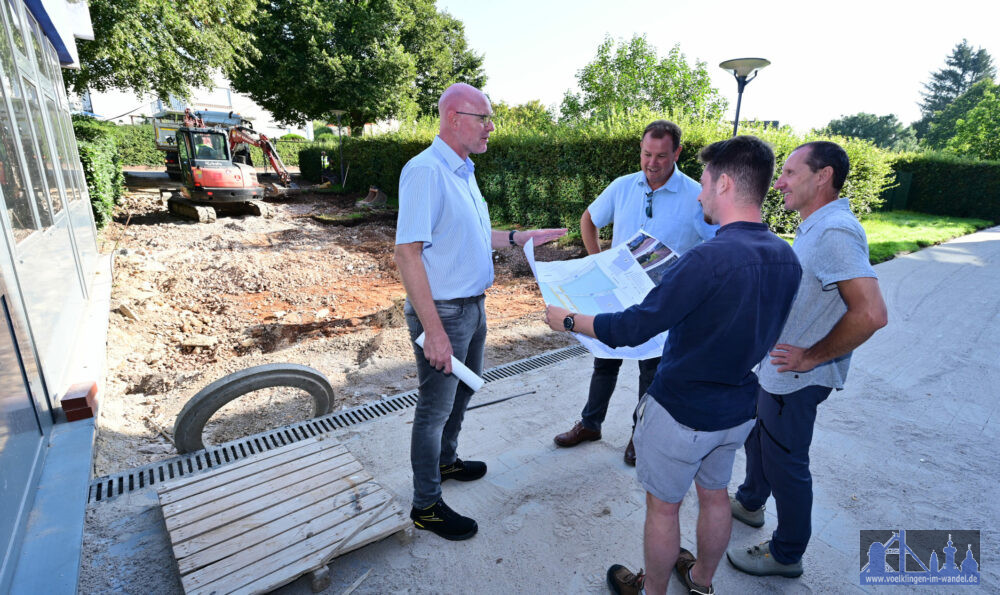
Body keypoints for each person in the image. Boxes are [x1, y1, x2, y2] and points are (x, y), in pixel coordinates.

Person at [546, 136, 802, 595]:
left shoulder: (708, 258)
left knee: (664, 508)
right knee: (715, 495)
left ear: (724, 183)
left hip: (682, 409)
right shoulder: (786, 255)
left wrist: (568, 319)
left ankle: (653, 590)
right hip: (739, 408)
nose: (699, 193)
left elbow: (633, 327)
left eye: (704, 183)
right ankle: (702, 582)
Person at [394, 82, 565, 542]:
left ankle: (446, 460)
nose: (491, 126)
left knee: (462, 395)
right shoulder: (425, 171)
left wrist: (519, 237)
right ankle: (425, 504)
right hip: (444, 313)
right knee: (433, 409)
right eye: (483, 117)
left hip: (473, 306)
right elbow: (407, 253)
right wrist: (434, 332)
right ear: (454, 119)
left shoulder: (463, 170)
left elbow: (470, 234)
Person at [727, 141, 888, 578]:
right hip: (776, 374)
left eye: (791, 173)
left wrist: (812, 357)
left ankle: (786, 553)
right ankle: (750, 501)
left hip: (795, 381)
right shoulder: (815, 225)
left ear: (824, 177)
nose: (778, 181)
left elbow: (871, 313)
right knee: (759, 440)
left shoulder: (836, 231)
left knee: (787, 464)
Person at [552, 120, 717, 466]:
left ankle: (640, 436)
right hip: (619, 297)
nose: (652, 163)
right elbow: (589, 220)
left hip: (664, 305)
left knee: (652, 373)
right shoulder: (623, 186)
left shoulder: (695, 197)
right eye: (646, 154)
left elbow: (715, 246)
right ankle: (590, 424)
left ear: (677, 153)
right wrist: (597, 264)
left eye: (661, 156)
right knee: (604, 361)